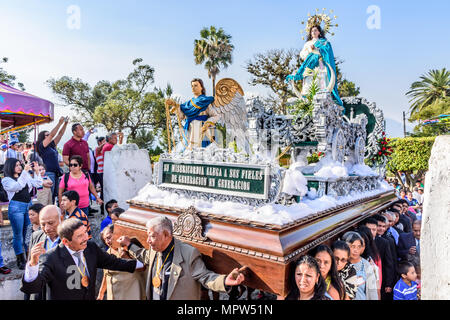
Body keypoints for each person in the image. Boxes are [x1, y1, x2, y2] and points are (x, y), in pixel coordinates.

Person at [117, 216, 245, 300]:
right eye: (148, 236)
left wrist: (224, 281)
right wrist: (129, 245)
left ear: (166, 234)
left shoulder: (188, 253)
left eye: (152, 236)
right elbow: (145, 256)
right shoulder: (154, 249)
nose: (148, 241)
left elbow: (205, 277)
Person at [21, 218, 144, 300]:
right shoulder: (50, 258)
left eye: (85, 232)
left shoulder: (90, 247)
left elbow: (113, 262)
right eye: (80, 236)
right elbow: (33, 288)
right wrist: (33, 264)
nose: (86, 237)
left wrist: (144, 264)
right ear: (65, 241)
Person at [286, 23, 343, 106]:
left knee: (321, 84)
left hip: (321, 66)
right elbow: (302, 55)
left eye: (315, 30)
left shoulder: (324, 42)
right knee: (309, 84)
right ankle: (308, 103)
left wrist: (317, 49)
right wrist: (310, 51)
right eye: (312, 31)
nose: (313, 32)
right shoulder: (307, 43)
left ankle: (322, 102)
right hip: (310, 67)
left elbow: (327, 53)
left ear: (319, 32)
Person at [2, 158, 42, 269]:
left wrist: (37, 171)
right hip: (16, 207)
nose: (19, 167)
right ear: (10, 167)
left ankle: (30, 257)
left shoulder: (24, 176)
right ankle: (20, 260)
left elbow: (38, 184)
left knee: (28, 233)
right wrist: (25, 172)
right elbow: (17, 187)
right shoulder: (6, 180)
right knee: (18, 235)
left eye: (20, 165)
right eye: (16, 165)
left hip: (28, 206)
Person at [97, 224, 146, 300]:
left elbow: (143, 269)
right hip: (113, 294)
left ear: (116, 235)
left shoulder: (129, 249)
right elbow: (106, 275)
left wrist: (126, 257)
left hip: (130, 292)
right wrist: (101, 293)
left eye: (109, 237)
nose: (107, 241)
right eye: (105, 239)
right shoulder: (107, 252)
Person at [25, 205, 63, 300]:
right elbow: (30, 269)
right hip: (39, 293)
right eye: (43, 224)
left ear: (61, 218)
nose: (47, 228)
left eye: (51, 223)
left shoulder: (71, 238)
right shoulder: (36, 236)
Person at [169, 79, 215, 149]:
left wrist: (207, 123)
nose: (193, 88)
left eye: (196, 85)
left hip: (201, 129)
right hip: (189, 129)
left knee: (201, 150)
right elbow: (182, 117)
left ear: (201, 87)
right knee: (188, 150)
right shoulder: (188, 104)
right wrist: (175, 106)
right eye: (192, 86)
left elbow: (215, 115)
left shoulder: (206, 101)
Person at [37, 116, 69, 204]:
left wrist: (65, 124)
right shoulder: (42, 146)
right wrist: (59, 123)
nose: (49, 136)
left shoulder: (51, 145)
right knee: (49, 196)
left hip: (56, 173)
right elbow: (52, 135)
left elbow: (60, 134)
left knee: (55, 195)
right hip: (49, 172)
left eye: (48, 134)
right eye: (46, 135)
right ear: (42, 137)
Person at [364, 217, 395, 300]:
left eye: (374, 229)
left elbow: (389, 264)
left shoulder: (384, 242)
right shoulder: (360, 243)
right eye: (368, 229)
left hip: (381, 281)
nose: (371, 232)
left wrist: (389, 283)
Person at [341, 231, 378, 300]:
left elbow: (372, 292)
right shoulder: (340, 264)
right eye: (352, 246)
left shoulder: (366, 265)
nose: (356, 250)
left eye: (359, 247)